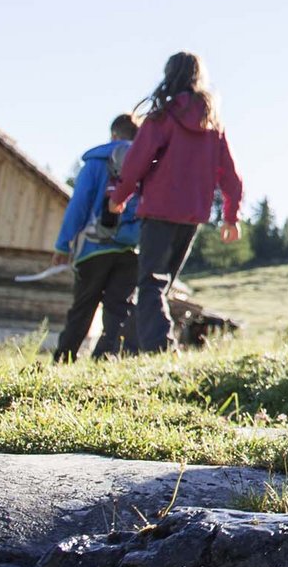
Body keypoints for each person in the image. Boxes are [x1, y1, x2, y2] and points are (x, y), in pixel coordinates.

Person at [107, 52, 243, 352]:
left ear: (170, 76)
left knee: (151, 284)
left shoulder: (162, 118)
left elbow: (135, 163)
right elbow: (231, 174)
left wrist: (119, 197)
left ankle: (160, 347)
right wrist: (231, 217)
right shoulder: (212, 124)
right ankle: (128, 348)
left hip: (158, 210)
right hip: (192, 214)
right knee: (158, 285)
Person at [50, 112, 144, 361]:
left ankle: (64, 359)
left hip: (93, 248)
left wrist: (63, 244)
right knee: (118, 309)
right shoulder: (145, 165)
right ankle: (105, 360)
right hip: (130, 250)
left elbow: (78, 205)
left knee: (83, 306)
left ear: (114, 134)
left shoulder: (95, 163)